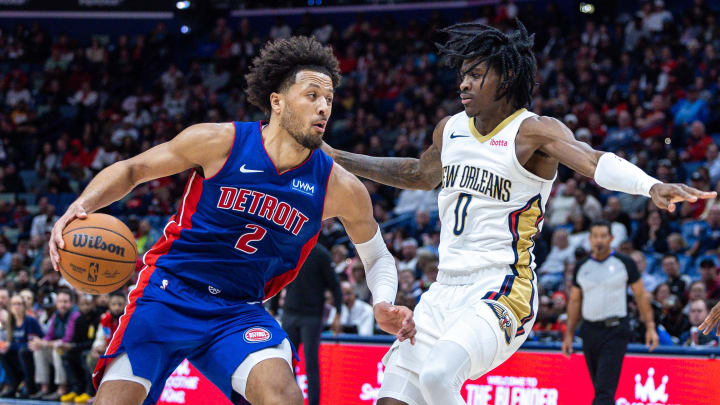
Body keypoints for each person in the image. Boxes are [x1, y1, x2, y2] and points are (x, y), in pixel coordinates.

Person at [322, 20, 712, 405]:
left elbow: (594, 161)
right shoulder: (451, 128)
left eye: (476, 74)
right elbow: (419, 173)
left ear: (507, 75)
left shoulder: (534, 131)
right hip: (442, 291)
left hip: (504, 288)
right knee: (392, 399)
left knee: (439, 377)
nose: (464, 84)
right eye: (462, 75)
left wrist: (651, 185)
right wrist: (339, 157)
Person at [48, 36, 414, 405]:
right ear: (277, 101)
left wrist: (383, 301)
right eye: (312, 96)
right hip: (167, 293)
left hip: (238, 311)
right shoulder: (219, 141)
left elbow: (377, 255)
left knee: (283, 397)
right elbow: (132, 170)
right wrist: (80, 206)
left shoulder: (339, 186)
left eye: (329, 100)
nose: (324, 108)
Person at [562, 220, 658, 405]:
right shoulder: (581, 267)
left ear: (611, 238)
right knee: (600, 388)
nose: (599, 240)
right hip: (589, 331)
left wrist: (650, 327)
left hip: (615, 331)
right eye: (595, 236)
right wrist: (569, 334)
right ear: (589, 239)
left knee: (604, 391)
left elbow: (640, 295)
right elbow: (574, 301)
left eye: (603, 236)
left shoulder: (625, 263)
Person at [270, 244, 342, 405]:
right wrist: (273, 309)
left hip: (312, 316)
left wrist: (338, 314)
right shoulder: (291, 249)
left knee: (311, 363)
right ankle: (290, 401)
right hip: (289, 313)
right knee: (286, 362)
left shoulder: (321, 254)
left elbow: (335, 285)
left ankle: (314, 403)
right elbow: (279, 279)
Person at [29, 288, 79, 401]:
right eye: (60, 302)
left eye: (65, 302)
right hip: (56, 345)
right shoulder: (56, 315)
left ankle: (62, 389)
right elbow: (49, 335)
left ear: (71, 303)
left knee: (57, 350)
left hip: (71, 349)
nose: (62, 305)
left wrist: (44, 343)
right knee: (39, 350)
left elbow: (67, 339)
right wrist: (41, 343)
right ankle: (44, 388)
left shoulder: (74, 315)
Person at [0, 295, 42, 398]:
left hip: (32, 352)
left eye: (19, 304)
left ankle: (29, 386)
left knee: (23, 352)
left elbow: (31, 342)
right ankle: (12, 385)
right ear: (10, 307)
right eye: (14, 304)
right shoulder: (11, 322)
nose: (17, 307)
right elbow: (11, 343)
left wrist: (11, 345)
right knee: (3, 353)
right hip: (18, 353)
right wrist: (6, 346)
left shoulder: (30, 321)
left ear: (24, 306)